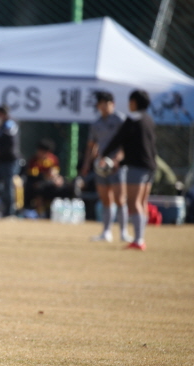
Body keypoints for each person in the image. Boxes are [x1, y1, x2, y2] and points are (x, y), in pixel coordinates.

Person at [101, 89, 157, 251]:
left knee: (134, 202)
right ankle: (140, 238)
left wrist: (104, 155)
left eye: (130, 101)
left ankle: (138, 240)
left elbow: (119, 138)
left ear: (134, 102)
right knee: (142, 202)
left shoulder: (133, 119)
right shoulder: (149, 119)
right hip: (151, 166)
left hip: (137, 166)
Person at [79, 91, 131, 242]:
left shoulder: (120, 120)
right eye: (100, 104)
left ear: (112, 104)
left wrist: (117, 159)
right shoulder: (96, 124)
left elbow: (126, 143)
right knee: (105, 199)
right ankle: (106, 232)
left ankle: (123, 232)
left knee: (120, 199)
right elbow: (92, 146)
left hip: (117, 166)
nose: (103, 107)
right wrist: (87, 164)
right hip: (101, 166)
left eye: (106, 104)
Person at [24, 139, 75, 216]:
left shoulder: (52, 159)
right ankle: (40, 213)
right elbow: (33, 176)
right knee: (38, 188)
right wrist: (45, 175)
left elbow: (55, 173)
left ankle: (64, 211)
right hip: (38, 183)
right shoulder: (34, 161)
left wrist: (57, 179)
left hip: (51, 183)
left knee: (67, 186)